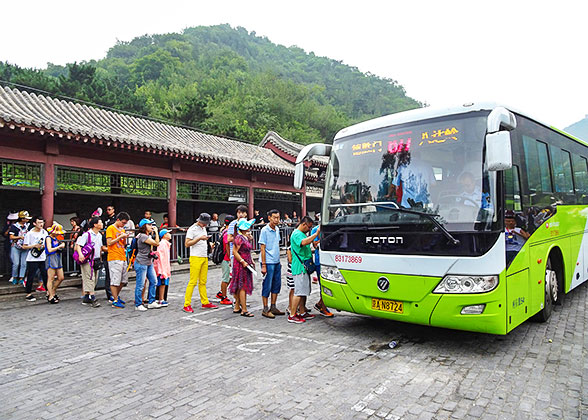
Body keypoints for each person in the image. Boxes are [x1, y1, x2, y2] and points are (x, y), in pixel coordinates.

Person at [288, 216, 320, 324]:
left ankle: (302, 311)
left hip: (304, 267)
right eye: (309, 227)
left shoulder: (302, 234)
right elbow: (304, 242)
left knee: (303, 292)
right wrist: (315, 235)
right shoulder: (297, 234)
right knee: (298, 292)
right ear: (304, 224)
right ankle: (292, 315)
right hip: (299, 267)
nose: (309, 229)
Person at [183, 213, 217, 313]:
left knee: (203, 281)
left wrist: (209, 243)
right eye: (204, 223)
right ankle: (187, 304)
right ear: (200, 221)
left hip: (204, 256)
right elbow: (187, 244)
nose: (205, 225)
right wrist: (199, 238)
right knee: (193, 281)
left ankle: (205, 301)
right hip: (195, 257)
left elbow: (202, 240)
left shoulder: (203, 228)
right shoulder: (192, 229)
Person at [259, 209, 285, 318]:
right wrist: (264, 264)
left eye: (278, 217)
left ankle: (273, 306)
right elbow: (262, 248)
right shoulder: (264, 230)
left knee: (276, 284)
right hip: (268, 261)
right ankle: (265, 308)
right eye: (274, 217)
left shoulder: (277, 229)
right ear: (269, 218)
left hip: (276, 261)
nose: (276, 220)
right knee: (267, 285)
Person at [76, 217, 106, 307]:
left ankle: (86, 297)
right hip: (88, 260)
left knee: (94, 278)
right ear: (95, 224)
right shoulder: (87, 235)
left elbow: (100, 248)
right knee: (89, 278)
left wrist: (100, 259)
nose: (102, 224)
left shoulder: (99, 235)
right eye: (100, 222)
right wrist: (81, 255)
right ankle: (92, 297)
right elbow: (78, 245)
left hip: (96, 259)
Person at [230, 218, 256, 317]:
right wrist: (242, 261)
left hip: (245, 262)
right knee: (242, 286)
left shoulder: (243, 237)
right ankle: (244, 309)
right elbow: (235, 252)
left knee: (239, 286)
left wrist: (251, 259)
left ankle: (237, 306)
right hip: (241, 264)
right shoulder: (239, 238)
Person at [133, 218, 161, 311]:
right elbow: (157, 243)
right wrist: (157, 232)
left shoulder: (146, 235)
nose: (151, 226)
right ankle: (138, 304)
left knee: (154, 281)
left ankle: (151, 302)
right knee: (140, 284)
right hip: (141, 262)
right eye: (149, 225)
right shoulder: (142, 236)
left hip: (148, 262)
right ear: (144, 226)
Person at [106, 212, 130, 308]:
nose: (123, 225)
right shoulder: (110, 228)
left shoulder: (122, 229)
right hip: (114, 257)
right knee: (115, 280)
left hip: (122, 256)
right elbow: (109, 242)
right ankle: (115, 300)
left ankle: (115, 295)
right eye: (123, 223)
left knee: (123, 280)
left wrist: (124, 238)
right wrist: (120, 236)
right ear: (118, 220)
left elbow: (122, 244)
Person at [227, 205, 249, 310]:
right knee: (236, 279)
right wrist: (240, 238)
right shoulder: (233, 224)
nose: (240, 214)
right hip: (235, 255)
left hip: (245, 255)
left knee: (243, 280)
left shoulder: (247, 224)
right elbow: (228, 238)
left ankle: (241, 301)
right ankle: (236, 301)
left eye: (242, 212)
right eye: (238, 212)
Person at [311, 221, 334, 317]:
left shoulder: (332, 227)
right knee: (323, 285)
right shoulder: (315, 230)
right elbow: (315, 244)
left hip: (331, 260)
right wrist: (324, 236)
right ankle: (323, 307)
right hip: (320, 260)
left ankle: (320, 303)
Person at [22, 216, 48, 302]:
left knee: (45, 275)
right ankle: (28, 293)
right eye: (39, 222)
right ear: (34, 223)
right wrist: (34, 246)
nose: (41, 224)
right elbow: (24, 246)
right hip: (32, 258)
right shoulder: (30, 233)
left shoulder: (44, 232)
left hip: (42, 256)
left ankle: (48, 291)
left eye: (42, 222)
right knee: (31, 275)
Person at [215, 215, 235, 305]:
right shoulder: (227, 233)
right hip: (226, 258)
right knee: (226, 278)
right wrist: (230, 258)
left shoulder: (223, 231)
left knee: (229, 277)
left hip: (224, 258)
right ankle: (223, 297)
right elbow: (227, 246)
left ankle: (221, 292)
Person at [45, 222, 66, 304]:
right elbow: (49, 250)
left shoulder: (56, 239)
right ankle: (51, 296)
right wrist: (58, 247)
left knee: (61, 277)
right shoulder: (48, 238)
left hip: (57, 257)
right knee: (51, 278)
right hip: (51, 257)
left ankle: (52, 291)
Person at [8, 210, 31, 285]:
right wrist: (20, 237)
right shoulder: (14, 226)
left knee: (24, 263)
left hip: (25, 246)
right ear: (22, 218)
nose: (27, 220)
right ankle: (14, 277)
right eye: (26, 218)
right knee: (16, 263)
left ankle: (21, 278)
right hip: (16, 246)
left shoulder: (28, 226)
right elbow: (11, 237)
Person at [153, 228, 172, 307]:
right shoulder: (163, 244)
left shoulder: (165, 244)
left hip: (164, 267)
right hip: (163, 267)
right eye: (168, 233)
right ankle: (161, 299)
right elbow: (160, 257)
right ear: (164, 235)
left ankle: (160, 298)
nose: (170, 234)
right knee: (162, 284)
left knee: (163, 283)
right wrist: (161, 269)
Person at [102, 205, 117, 302]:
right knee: (108, 274)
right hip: (108, 254)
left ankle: (115, 294)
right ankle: (110, 294)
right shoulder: (105, 221)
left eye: (109, 209)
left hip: (115, 254)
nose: (108, 211)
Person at [2, 212, 17, 278]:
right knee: (10, 258)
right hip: (8, 243)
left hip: (17, 244)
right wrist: (10, 228)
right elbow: (4, 234)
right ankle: (10, 273)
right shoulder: (8, 224)